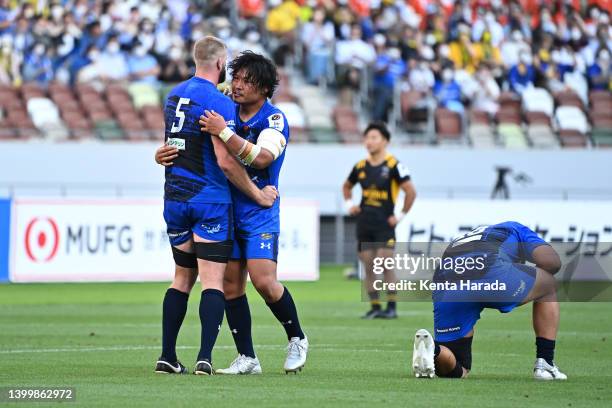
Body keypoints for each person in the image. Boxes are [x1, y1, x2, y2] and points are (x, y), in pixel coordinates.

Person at [157, 51, 309, 375]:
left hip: (259, 208)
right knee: (230, 287)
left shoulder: (274, 119)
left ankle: (296, 336)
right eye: (235, 77)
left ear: (265, 88)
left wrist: (223, 132)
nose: (237, 85)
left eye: (246, 81)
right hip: (227, 207)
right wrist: (164, 153)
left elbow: (263, 158)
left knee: (264, 280)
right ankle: (247, 357)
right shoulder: (226, 106)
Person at [412, 222, 567, 381]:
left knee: (460, 367)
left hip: (447, 280)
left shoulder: (468, 236)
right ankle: (545, 363)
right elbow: (552, 263)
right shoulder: (516, 228)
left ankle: (434, 350)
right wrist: (528, 274)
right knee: (548, 284)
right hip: (490, 270)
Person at [342, 122, 417, 319]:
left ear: (385, 141)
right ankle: (375, 306)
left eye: (374, 137)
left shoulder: (394, 165)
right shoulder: (360, 166)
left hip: (385, 223)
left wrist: (400, 216)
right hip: (365, 222)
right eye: (367, 138)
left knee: (385, 263)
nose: (369, 142)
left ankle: (391, 307)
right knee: (368, 265)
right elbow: (347, 186)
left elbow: (411, 191)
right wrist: (350, 204)